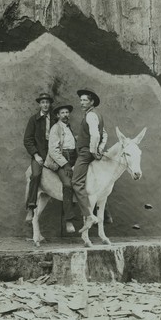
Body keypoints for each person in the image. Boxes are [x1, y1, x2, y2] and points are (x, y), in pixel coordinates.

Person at [72, 88, 108, 233]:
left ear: (92, 102)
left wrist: (93, 151)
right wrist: (100, 148)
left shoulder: (91, 116)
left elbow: (95, 136)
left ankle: (89, 215)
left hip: (85, 153)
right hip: (89, 151)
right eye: (81, 100)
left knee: (76, 182)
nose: (82, 102)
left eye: (85, 100)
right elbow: (104, 134)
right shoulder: (96, 115)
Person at [44, 104, 77, 233]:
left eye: (67, 112)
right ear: (58, 115)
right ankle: (68, 220)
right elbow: (53, 150)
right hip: (60, 160)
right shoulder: (55, 128)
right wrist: (66, 164)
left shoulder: (69, 128)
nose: (65, 115)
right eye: (62, 113)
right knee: (68, 185)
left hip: (73, 157)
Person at [23, 93, 55, 222]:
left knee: (67, 175)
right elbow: (27, 140)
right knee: (35, 175)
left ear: (50, 104)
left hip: (53, 155)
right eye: (43, 102)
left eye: (47, 102)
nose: (45, 105)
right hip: (39, 155)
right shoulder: (33, 119)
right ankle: (31, 207)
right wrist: (36, 155)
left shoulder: (55, 119)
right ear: (39, 104)